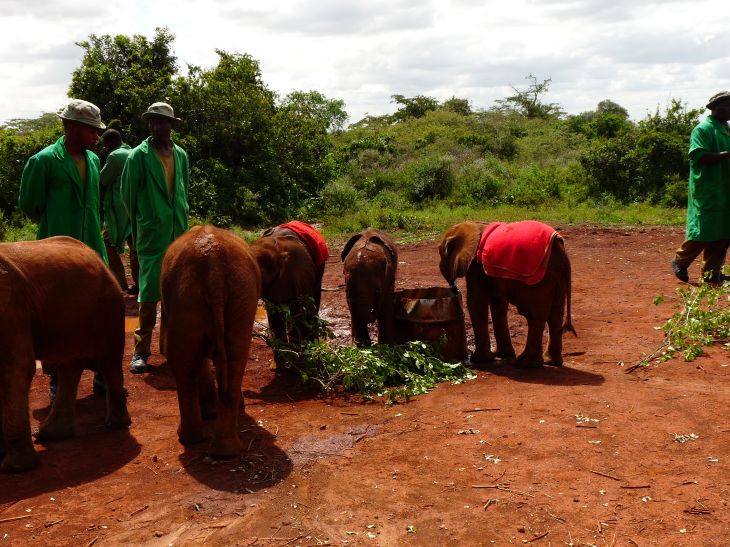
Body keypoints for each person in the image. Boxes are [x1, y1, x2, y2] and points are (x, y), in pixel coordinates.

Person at [18, 98, 108, 399]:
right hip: (54, 255)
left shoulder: (93, 161)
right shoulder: (43, 161)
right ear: (70, 127)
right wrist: (57, 220)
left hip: (91, 249)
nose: (95, 136)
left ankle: (101, 374)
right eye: (90, 130)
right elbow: (30, 204)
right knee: (57, 316)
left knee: (96, 312)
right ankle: (57, 379)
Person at [122, 102, 189, 374]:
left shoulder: (181, 155)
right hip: (151, 233)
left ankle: (171, 346)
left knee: (177, 292)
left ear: (171, 125)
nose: (155, 126)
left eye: (161, 122)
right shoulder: (137, 156)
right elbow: (128, 196)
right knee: (149, 293)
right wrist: (142, 223)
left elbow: (183, 189)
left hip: (177, 232)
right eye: (152, 121)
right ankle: (141, 351)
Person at [671, 91, 730, 283]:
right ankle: (680, 261)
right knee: (704, 230)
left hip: (725, 188)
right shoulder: (703, 129)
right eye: (726, 105)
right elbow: (699, 156)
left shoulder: (726, 130)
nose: (729, 110)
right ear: (714, 107)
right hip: (708, 189)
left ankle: (711, 274)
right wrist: (727, 154)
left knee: (724, 231)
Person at [100, 129, 139, 294]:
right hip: (134, 207)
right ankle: (139, 283)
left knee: (108, 243)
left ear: (109, 143)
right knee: (135, 246)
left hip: (119, 210)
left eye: (105, 145)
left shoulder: (115, 156)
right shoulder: (133, 152)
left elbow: (103, 179)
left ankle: (119, 282)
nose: (105, 148)